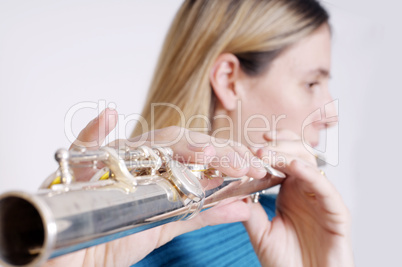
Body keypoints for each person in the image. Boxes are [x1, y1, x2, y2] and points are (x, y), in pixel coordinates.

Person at [46, 0, 354, 266]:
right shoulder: (109, 239)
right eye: (312, 84)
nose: (331, 114)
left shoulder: (288, 225)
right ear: (228, 80)